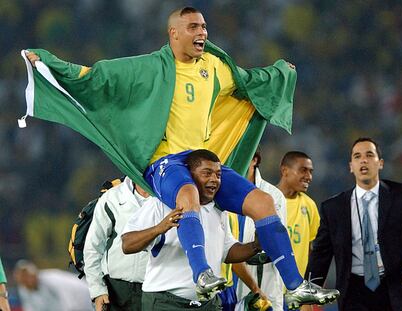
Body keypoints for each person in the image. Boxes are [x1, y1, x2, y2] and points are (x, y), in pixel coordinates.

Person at [22, 7, 338, 307]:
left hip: (202, 160)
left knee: (263, 204)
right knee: (188, 194)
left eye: (204, 27)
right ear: (174, 33)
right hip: (166, 163)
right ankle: (201, 273)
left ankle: (295, 286)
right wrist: (51, 64)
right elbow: (97, 76)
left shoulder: (215, 67)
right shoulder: (148, 69)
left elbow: (249, 83)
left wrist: (280, 73)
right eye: (194, 27)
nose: (203, 33)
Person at [121, 149, 265, 310]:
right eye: (207, 173)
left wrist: (255, 246)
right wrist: (158, 229)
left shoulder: (218, 210)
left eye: (218, 175)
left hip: (208, 303)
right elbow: (127, 244)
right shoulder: (160, 204)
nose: (214, 180)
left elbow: (226, 252)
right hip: (165, 303)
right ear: (189, 174)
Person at [306, 137, 402, 310]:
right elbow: (321, 255)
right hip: (353, 293)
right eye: (357, 156)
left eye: (369, 155)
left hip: (396, 288)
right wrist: (308, 297)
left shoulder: (400, 194)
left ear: (381, 163)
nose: (363, 160)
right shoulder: (333, 207)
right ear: (351, 167)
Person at [83, 176, 150, 311]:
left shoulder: (169, 196)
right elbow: (93, 247)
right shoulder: (112, 196)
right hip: (116, 290)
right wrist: (98, 290)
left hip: (155, 289)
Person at [234, 149, 287, 310]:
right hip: (231, 275)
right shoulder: (223, 193)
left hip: (265, 273)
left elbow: (277, 240)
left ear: (255, 160)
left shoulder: (273, 195)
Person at [277, 151, 320, 278]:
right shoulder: (266, 200)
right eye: (303, 170)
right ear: (285, 171)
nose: (309, 177)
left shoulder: (309, 205)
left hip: (297, 290)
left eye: (310, 172)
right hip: (270, 287)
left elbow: (312, 250)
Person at [13, 259, 94, 311]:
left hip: (87, 295)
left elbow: (68, 303)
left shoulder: (52, 279)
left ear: (34, 274)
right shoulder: (24, 289)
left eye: (28, 276)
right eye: (23, 278)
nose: (27, 280)